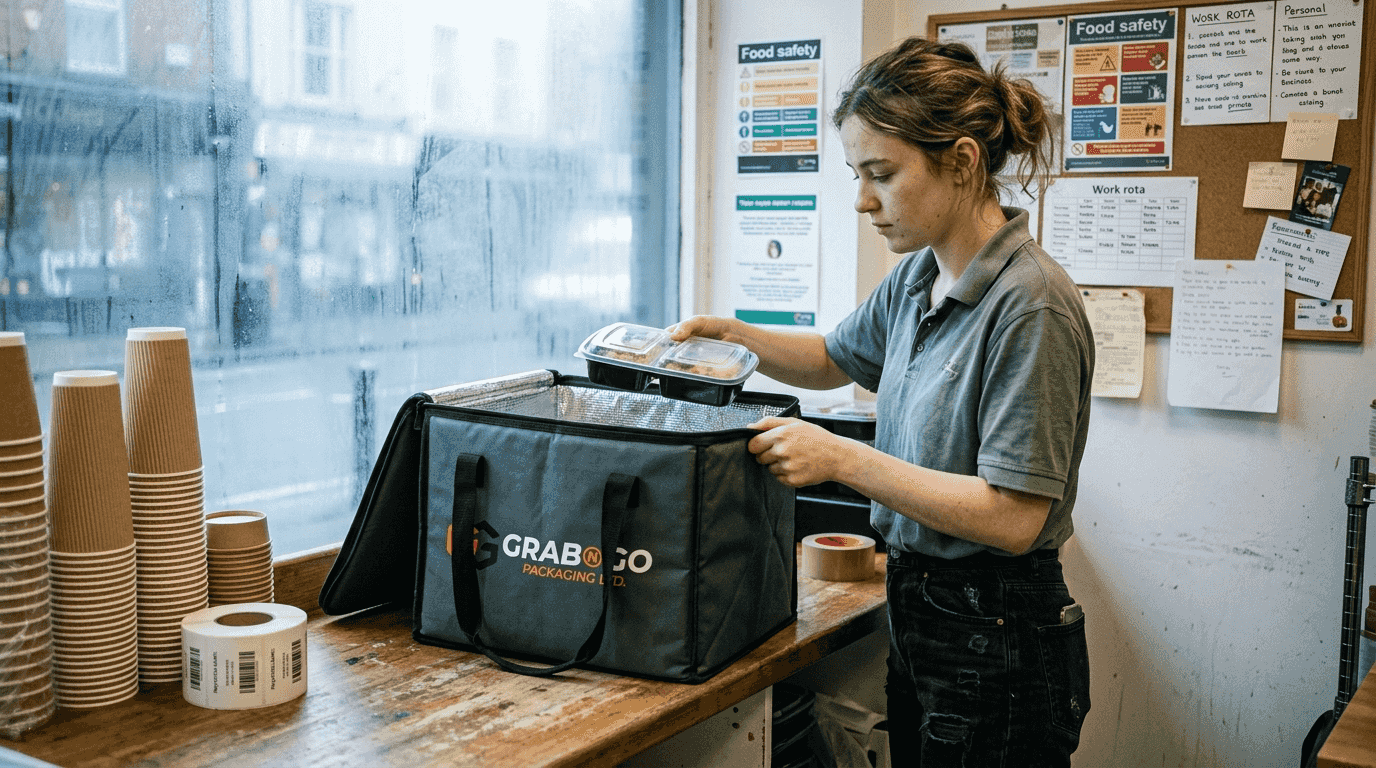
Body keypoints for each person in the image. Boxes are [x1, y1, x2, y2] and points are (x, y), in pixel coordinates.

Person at [670, 37, 1094, 765]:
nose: (863, 200)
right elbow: (835, 357)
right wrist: (731, 334)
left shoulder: (1032, 306)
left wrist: (841, 458)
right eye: (856, 173)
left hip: (997, 622)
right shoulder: (918, 276)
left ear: (961, 162)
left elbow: (1014, 517)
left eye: (882, 174)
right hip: (922, 604)